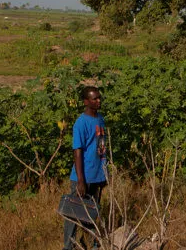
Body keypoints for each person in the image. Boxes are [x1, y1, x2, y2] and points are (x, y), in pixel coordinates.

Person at [63, 86, 107, 250]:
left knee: (91, 214)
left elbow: (102, 147)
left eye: (99, 97)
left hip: (97, 175)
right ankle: (68, 246)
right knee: (73, 215)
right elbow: (77, 151)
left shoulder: (100, 119)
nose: (98, 101)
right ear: (86, 101)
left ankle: (91, 244)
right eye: (94, 98)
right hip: (82, 177)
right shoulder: (80, 123)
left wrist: (104, 173)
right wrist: (81, 180)